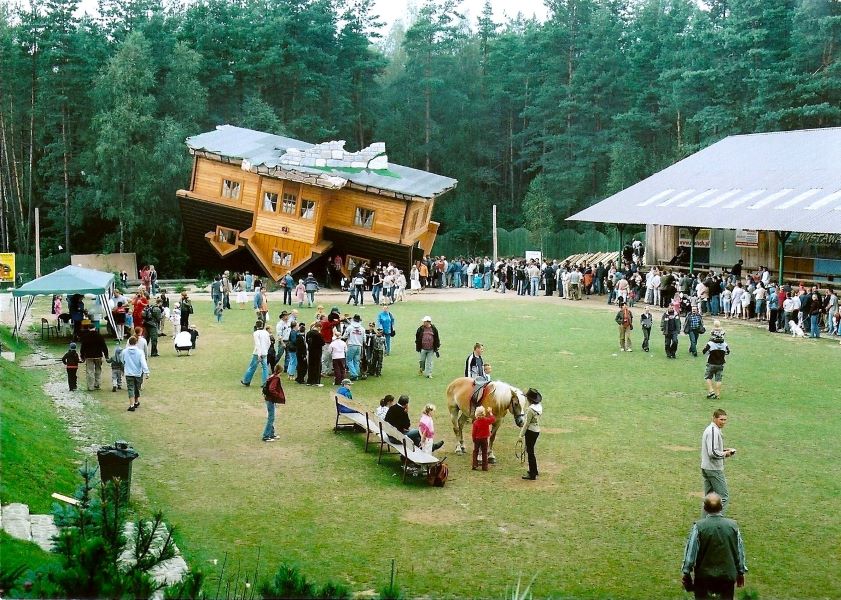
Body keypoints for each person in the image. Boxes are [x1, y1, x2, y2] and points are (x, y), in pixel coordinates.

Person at [681, 492, 747, 599]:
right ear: (721, 507)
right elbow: (739, 551)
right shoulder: (733, 526)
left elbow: (691, 554)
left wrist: (686, 573)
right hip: (727, 577)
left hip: (704, 577)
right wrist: (740, 572)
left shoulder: (699, 527)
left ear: (705, 508)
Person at [700, 409, 737, 514]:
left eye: (725, 420)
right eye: (721, 419)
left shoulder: (712, 430)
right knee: (723, 497)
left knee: (708, 498)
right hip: (714, 469)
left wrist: (723, 451)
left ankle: (703, 523)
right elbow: (712, 453)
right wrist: (726, 454)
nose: (723, 422)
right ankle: (717, 521)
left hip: (707, 467)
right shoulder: (713, 431)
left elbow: (713, 450)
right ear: (714, 418)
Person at [519, 388, 543, 480]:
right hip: (536, 430)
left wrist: (521, 435)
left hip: (530, 431)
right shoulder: (539, 407)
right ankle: (534, 470)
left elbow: (526, 424)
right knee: (531, 451)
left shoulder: (530, 410)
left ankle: (532, 474)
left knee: (530, 452)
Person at [702, 323, 730, 399]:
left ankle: (711, 391)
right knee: (718, 379)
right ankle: (717, 394)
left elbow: (704, 351)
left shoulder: (710, 343)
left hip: (711, 363)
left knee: (708, 377)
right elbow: (728, 352)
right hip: (720, 364)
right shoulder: (724, 344)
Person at [79, 320, 109, 391]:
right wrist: (106, 355)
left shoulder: (85, 336)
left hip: (89, 356)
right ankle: (97, 384)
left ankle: (90, 386)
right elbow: (104, 346)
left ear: (88, 328)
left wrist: (82, 356)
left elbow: (82, 347)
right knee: (98, 370)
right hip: (98, 355)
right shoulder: (99, 336)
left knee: (90, 371)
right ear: (95, 328)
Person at [241, 320, 272, 387]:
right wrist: (265, 350)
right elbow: (269, 343)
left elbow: (258, 344)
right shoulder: (266, 333)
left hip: (257, 353)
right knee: (265, 368)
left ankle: (246, 380)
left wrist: (259, 354)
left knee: (252, 367)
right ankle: (265, 383)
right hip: (264, 352)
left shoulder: (256, 333)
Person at [123, 335, 150, 412]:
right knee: (137, 387)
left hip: (129, 372)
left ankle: (132, 404)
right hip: (138, 373)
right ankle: (136, 401)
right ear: (136, 343)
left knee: (130, 388)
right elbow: (143, 362)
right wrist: (146, 372)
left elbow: (122, 361)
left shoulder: (125, 351)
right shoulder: (140, 352)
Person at [262, 364, 286, 442]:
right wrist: (278, 395)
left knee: (271, 417)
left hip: (268, 399)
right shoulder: (276, 378)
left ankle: (271, 434)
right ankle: (266, 436)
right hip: (270, 400)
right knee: (271, 418)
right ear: (280, 371)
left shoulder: (272, 376)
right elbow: (272, 389)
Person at [471, 406, 496, 471]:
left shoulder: (475, 422)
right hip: (484, 439)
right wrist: (490, 412)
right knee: (484, 452)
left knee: (475, 452)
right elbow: (493, 419)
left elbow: (473, 432)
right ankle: (485, 467)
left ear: (476, 414)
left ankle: (474, 465)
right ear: (484, 413)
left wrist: (473, 439)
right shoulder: (486, 420)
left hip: (477, 439)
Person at [305, 322, 325, 387]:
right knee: (317, 366)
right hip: (317, 352)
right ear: (319, 327)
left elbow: (307, 341)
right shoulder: (318, 335)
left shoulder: (308, 333)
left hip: (310, 351)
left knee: (310, 366)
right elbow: (322, 343)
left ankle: (310, 381)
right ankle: (316, 381)